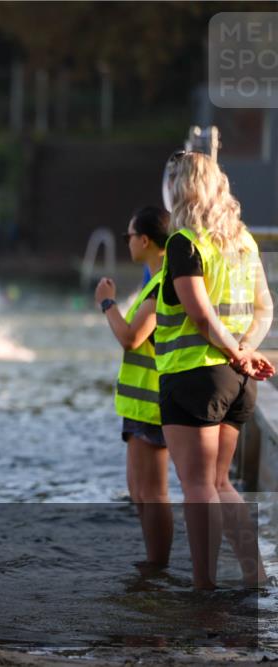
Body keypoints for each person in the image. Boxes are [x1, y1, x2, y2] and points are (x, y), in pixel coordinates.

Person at [156, 151, 274, 589]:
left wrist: (235, 353)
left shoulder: (184, 242)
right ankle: (255, 577)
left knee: (197, 487)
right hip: (238, 382)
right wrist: (244, 352)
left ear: (180, 187)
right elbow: (265, 309)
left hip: (194, 378)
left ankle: (203, 587)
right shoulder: (243, 240)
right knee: (222, 482)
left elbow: (202, 317)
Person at [94, 206, 172, 573]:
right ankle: (151, 564)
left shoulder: (161, 285)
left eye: (128, 236)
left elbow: (131, 338)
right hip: (137, 403)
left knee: (153, 494)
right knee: (139, 494)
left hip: (153, 403)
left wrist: (107, 303)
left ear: (144, 240)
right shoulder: (151, 283)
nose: (126, 243)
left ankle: (158, 566)